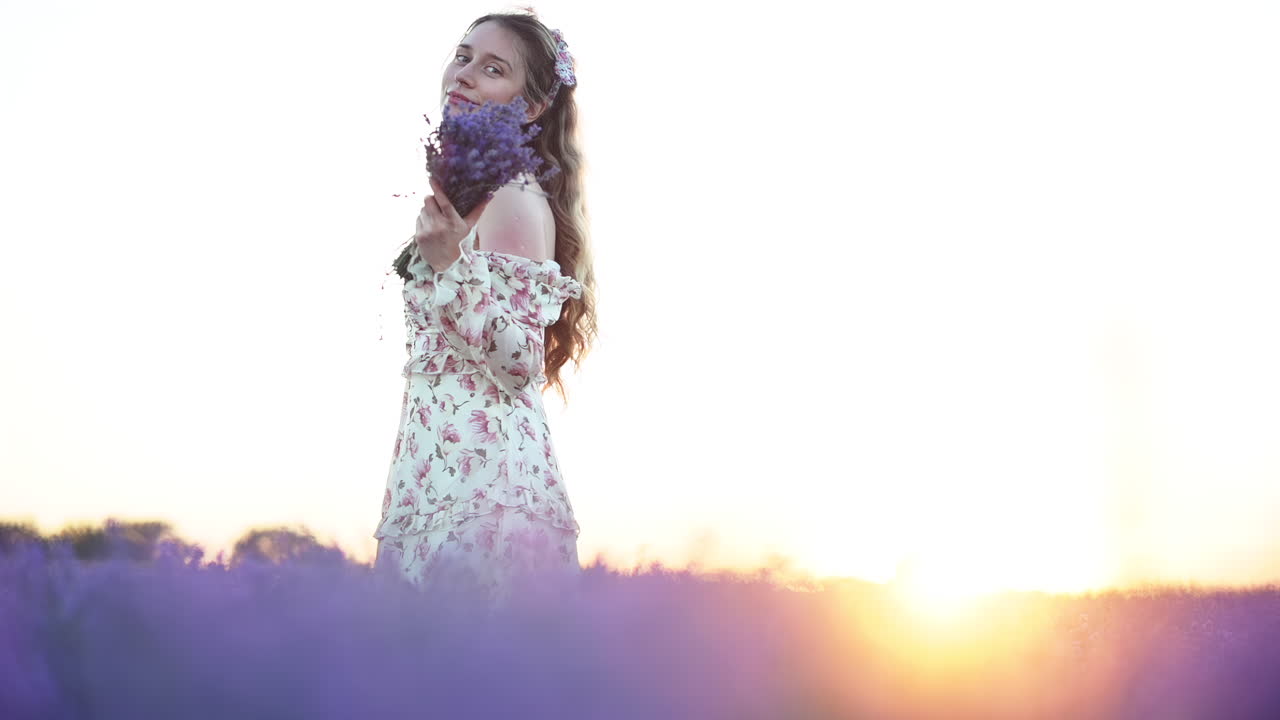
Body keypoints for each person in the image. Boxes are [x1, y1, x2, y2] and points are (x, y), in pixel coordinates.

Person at [372, 11, 597, 607]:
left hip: (485, 488)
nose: (464, 74)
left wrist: (451, 265)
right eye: (463, 56)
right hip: (435, 471)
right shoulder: (476, 191)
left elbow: (520, 362)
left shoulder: (515, 201)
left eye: (492, 69)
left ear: (529, 108)